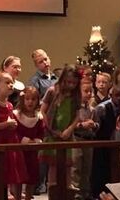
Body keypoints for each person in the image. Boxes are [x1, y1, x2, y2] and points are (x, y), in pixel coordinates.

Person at [0, 71, 28, 200]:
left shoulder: (9, 105)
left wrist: (12, 125)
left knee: (5, 175)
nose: (11, 85)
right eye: (7, 82)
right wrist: (6, 124)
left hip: (8, 142)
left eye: (12, 83)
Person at [39, 65, 81, 197]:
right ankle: (53, 194)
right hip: (53, 134)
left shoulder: (75, 95)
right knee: (53, 167)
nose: (71, 85)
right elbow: (43, 112)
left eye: (74, 83)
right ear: (62, 79)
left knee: (67, 167)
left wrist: (69, 129)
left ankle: (67, 193)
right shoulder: (52, 91)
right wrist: (52, 130)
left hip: (67, 135)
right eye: (68, 82)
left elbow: (77, 116)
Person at [28, 49, 57, 195]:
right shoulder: (35, 80)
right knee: (43, 154)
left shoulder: (56, 78)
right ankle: (39, 184)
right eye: (41, 61)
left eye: (46, 59)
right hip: (43, 118)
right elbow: (33, 100)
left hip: (57, 119)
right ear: (36, 65)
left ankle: (52, 183)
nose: (45, 63)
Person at [91, 85, 120, 198]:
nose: (119, 98)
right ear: (111, 95)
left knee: (111, 169)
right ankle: (97, 193)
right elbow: (95, 127)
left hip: (113, 143)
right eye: (117, 96)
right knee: (99, 168)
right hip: (101, 142)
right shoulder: (102, 108)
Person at [13, 86, 44, 200]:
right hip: (19, 151)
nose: (30, 102)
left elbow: (41, 132)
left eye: (33, 99)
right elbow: (14, 132)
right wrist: (25, 140)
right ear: (23, 100)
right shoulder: (16, 115)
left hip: (32, 152)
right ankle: (17, 197)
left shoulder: (38, 117)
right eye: (27, 99)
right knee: (19, 177)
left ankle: (29, 197)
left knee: (32, 175)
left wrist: (36, 141)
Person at [71, 79, 98, 200]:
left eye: (90, 91)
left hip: (88, 140)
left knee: (87, 169)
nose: (88, 94)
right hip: (77, 139)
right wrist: (82, 125)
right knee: (76, 168)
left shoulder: (92, 109)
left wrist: (93, 125)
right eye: (85, 91)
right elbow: (69, 125)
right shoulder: (74, 107)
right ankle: (75, 194)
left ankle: (85, 193)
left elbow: (97, 124)